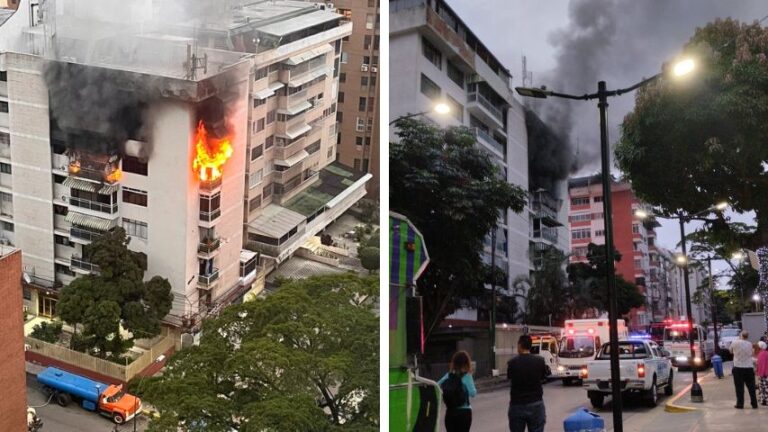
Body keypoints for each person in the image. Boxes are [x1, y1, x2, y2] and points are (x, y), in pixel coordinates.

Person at [507, 335, 547, 432]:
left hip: (517, 405)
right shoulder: (540, 361)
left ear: (520, 345)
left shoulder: (512, 363)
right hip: (536, 404)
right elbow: (543, 378)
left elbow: (510, 379)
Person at [438, 351, 477, 432]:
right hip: (464, 412)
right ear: (467, 363)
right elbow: (473, 393)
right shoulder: (467, 376)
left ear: (454, 363)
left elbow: (437, 385)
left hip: (450, 412)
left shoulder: (448, 375)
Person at [730, 330, 759, 409]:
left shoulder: (735, 342)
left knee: (739, 387)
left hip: (738, 367)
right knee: (751, 387)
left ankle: (740, 404)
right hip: (749, 367)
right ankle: (754, 403)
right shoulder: (750, 344)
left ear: (741, 335)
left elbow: (730, 351)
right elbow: (753, 353)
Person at [758, 341, 768, 406]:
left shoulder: (761, 354)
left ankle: (762, 401)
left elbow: (761, 364)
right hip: (765, 373)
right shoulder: (766, 353)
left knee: (762, 388)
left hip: (762, 373)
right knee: (766, 387)